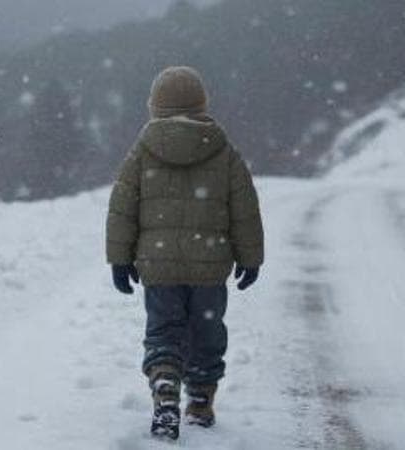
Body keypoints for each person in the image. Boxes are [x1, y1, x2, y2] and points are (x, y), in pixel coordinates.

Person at [105, 66, 264, 440]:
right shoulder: (223, 151)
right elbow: (244, 209)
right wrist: (250, 257)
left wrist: (119, 259)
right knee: (207, 333)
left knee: (164, 331)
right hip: (209, 268)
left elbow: (122, 208)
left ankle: (164, 382)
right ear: (201, 103)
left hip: (159, 267)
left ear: (155, 106)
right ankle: (200, 401)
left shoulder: (142, 151)